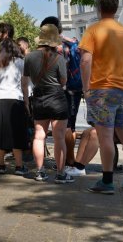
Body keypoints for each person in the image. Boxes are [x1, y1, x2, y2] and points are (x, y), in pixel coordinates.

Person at [79, 0, 123, 195]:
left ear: (98, 8)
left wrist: (86, 88)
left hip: (101, 90)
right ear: (117, 9)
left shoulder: (93, 30)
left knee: (105, 136)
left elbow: (86, 61)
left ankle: (107, 181)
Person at [23, 24, 73, 184]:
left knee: (39, 136)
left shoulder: (29, 57)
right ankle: (60, 173)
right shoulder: (59, 58)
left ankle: (40, 172)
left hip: (38, 97)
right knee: (59, 137)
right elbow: (63, 80)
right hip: (57, 98)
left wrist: (26, 100)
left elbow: (26, 79)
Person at [39, 16, 84, 170]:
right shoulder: (71, 42)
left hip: (57, 90)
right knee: (69, 125)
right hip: (74, 90)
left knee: (63, 128)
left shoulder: (54, 47)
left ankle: (68, 161)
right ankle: (68, 161)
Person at [0, 39, 29, 175]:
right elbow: (24, 85)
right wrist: (26, 102)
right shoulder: (21, 62)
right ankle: (19, 167)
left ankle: (1, 165)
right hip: (15, 99)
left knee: (0, 134)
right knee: (16, 133)